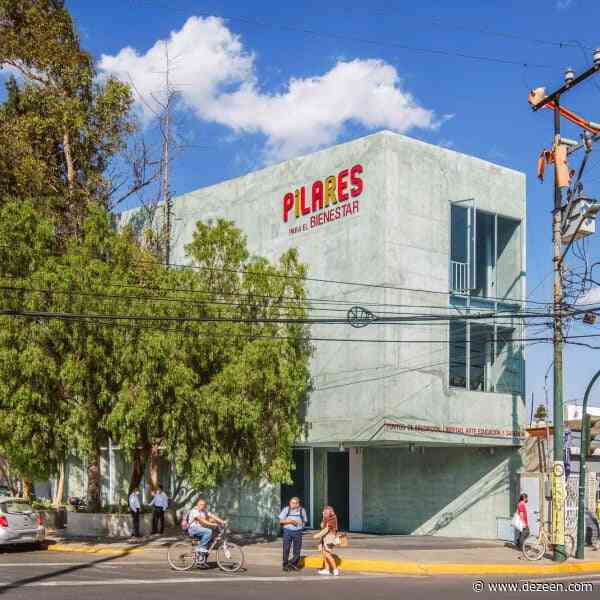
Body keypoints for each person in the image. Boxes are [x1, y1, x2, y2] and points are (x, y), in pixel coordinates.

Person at [278, 496, 307, 571]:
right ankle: (285, 565)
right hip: (287, 531)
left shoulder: (302, 510)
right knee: (286, 548)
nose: (291, 504)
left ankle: (293, 564)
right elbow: (281, 521)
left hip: (298, 532)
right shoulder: (286, 509)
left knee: (297, 549)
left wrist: (301, 527)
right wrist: (291, 521)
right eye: (291, 502)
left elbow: (304, 521)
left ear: (298, 504)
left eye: (294, 503)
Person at [316, 505, 340, 576]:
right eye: (324, 512)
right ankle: (326, 569)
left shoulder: (332, 518)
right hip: (325, 537)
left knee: (327, 554)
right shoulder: (326, 518)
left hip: (329, 537)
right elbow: (321, 525)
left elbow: (327, 529)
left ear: (330, 511)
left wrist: (317, 535)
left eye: (326, 511)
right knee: (324, 554)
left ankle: (335, 569)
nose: (324, 513)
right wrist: (323, 518)